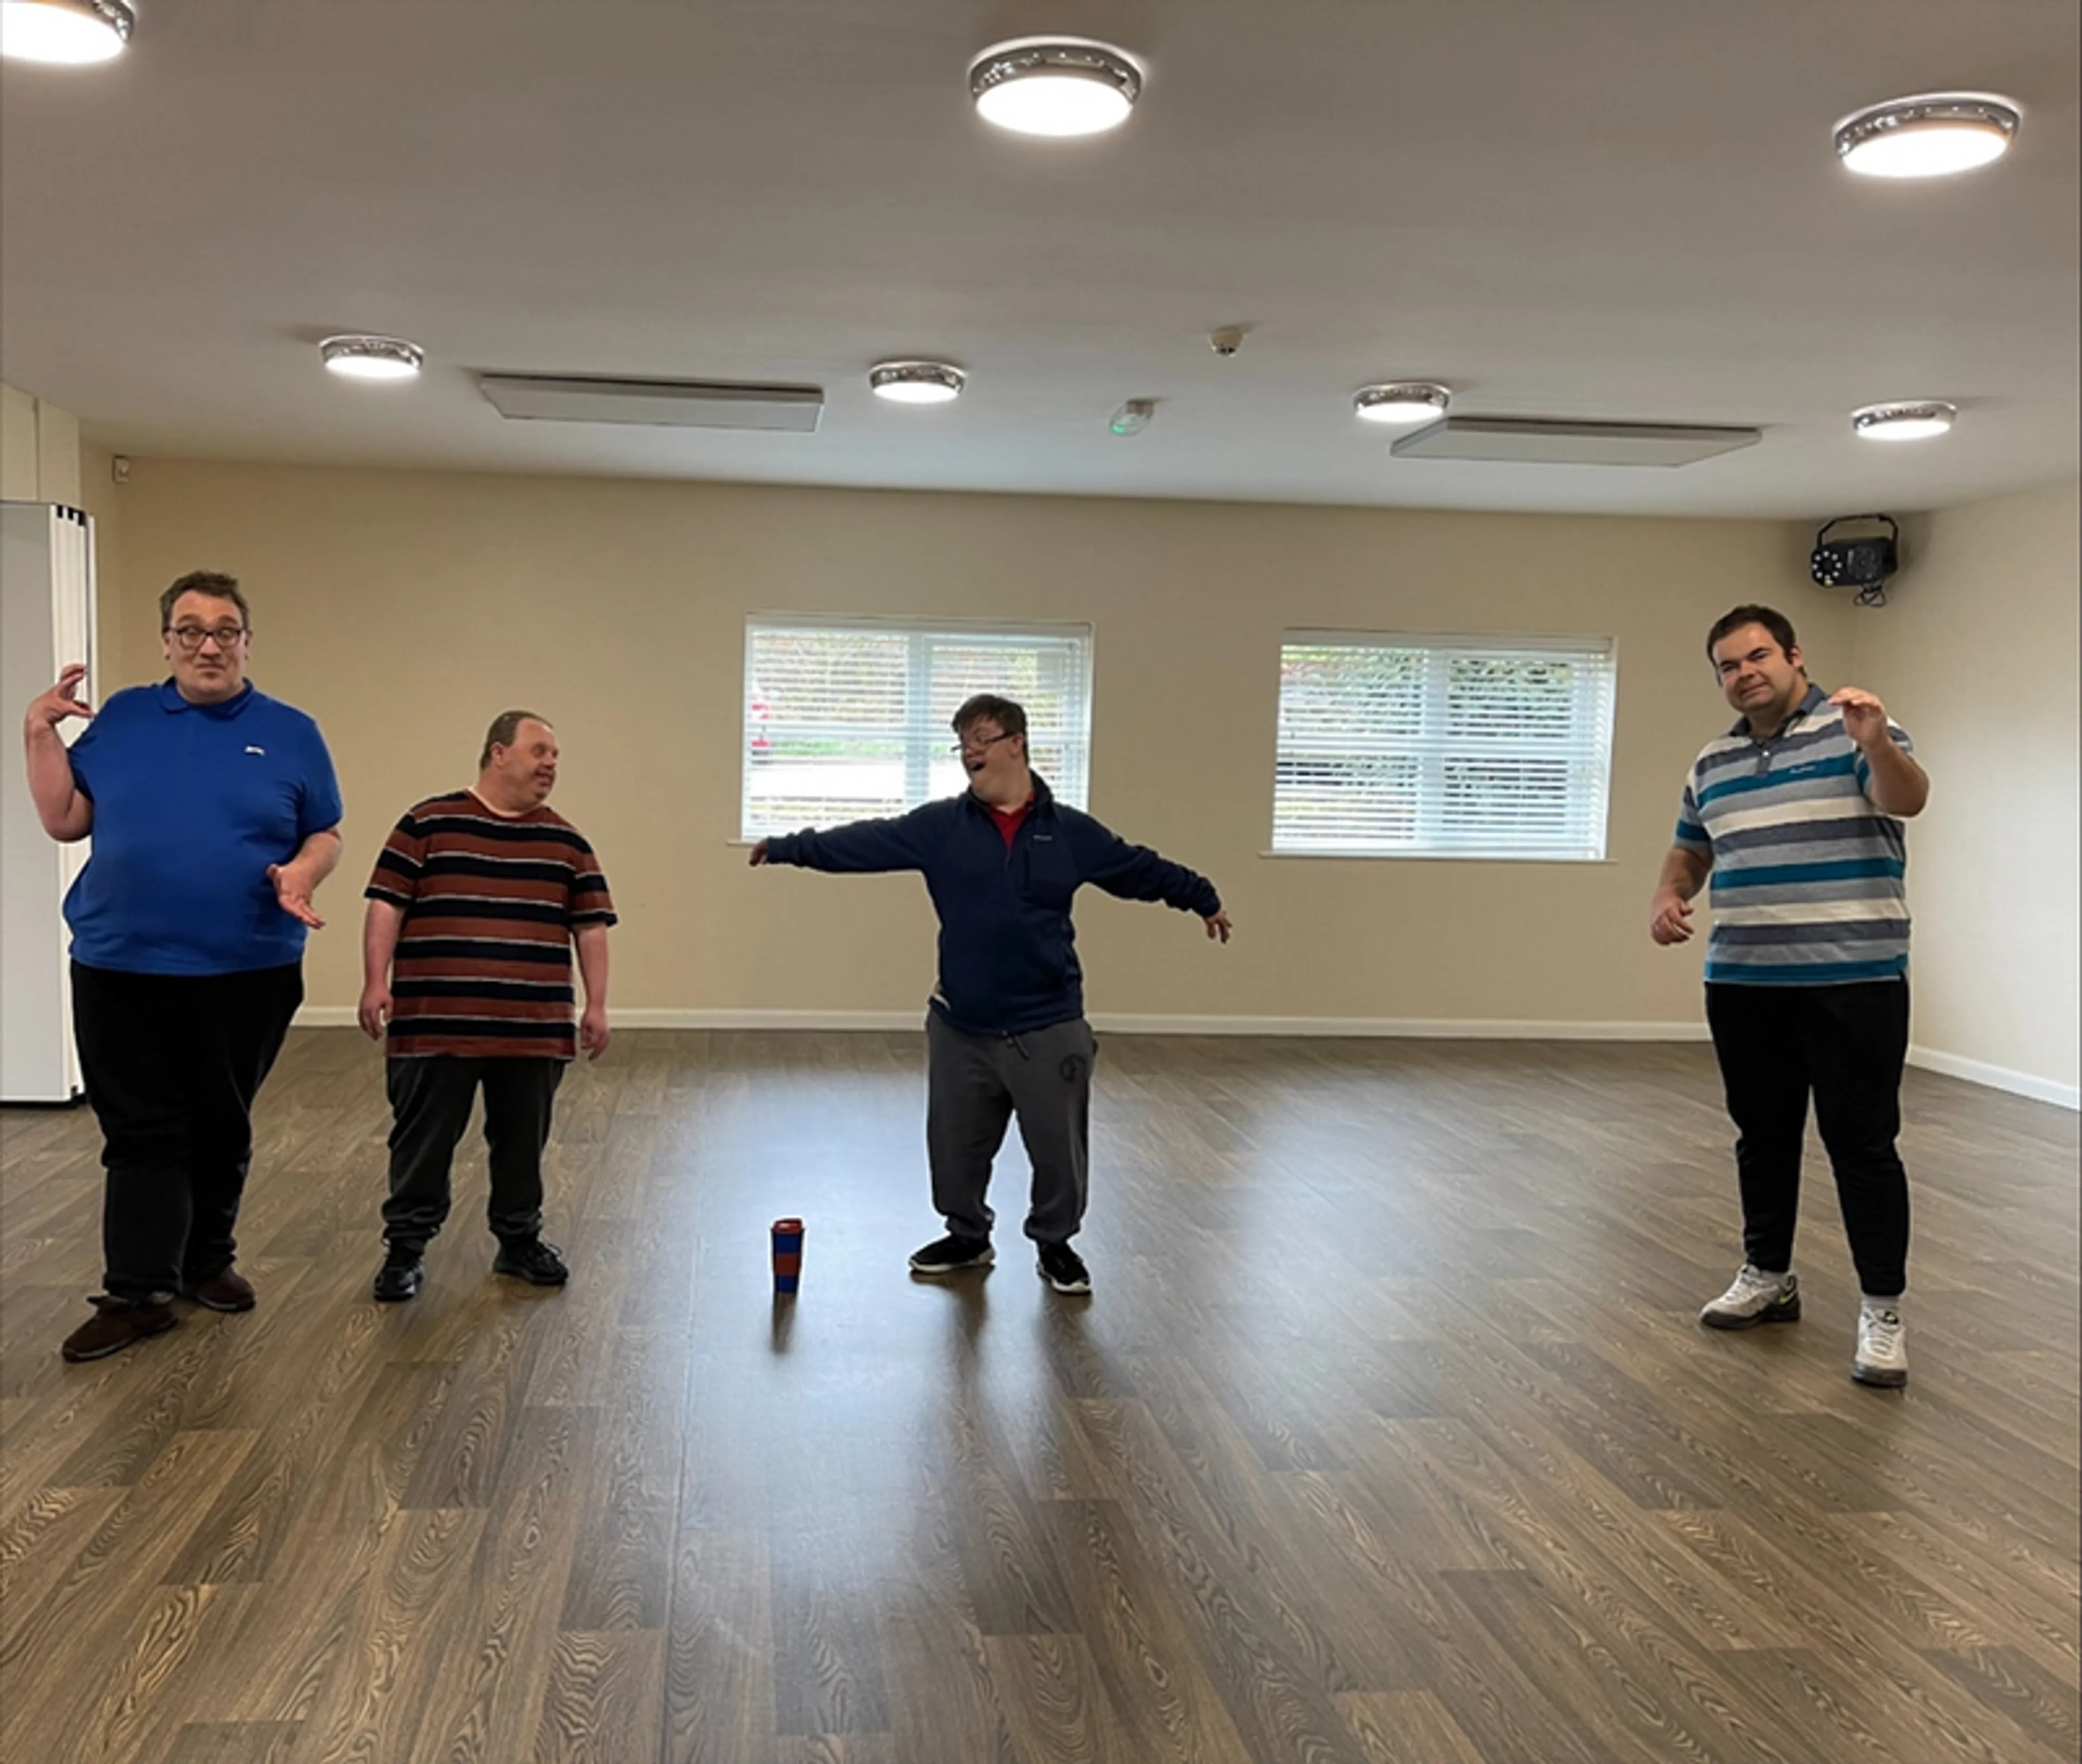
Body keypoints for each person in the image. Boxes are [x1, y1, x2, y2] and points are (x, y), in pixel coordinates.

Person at [750, 693, 1231, 1295]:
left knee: (1059, 1152)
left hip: (1048, 1022)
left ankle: (1055, 1244)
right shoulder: (941, 828)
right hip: (962, 1023)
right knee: (955, 1148)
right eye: (961, 740)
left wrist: (1202, 897)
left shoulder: (1069, 832)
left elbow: (1139, 868)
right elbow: (864, 843)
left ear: (1017, 742)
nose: (970, 749)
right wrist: (791, 846)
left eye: (981, 735)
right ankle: (968, 1236)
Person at [21, 570, 343, 1362]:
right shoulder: (126, 717)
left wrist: (303, 872)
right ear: (167, 642)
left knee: (220, 1120)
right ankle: (136, 1292)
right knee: (140, 1128)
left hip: (249, 966)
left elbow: (325, 832)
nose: (208, 644)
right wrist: (36, 733)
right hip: (120, 963)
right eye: (191, 630)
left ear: (246, 642)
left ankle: (208, 1263)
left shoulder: (292, 730)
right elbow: (66, 818)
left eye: (225, 629)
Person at [1650, 604, 1929, 1388]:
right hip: (1744, 978)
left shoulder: (1859, 729)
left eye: (1757, 656)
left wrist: (1875, 742)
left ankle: (1882, 1309)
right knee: (1762, 1135)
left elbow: (1907, 799)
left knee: (1862, 1146)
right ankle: (1768, 1274)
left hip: (1855, 979)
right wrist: (1668, 894)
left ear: (1794, 656)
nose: (1744, 673)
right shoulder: (1713, 761)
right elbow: (1689, 845)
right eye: (1728, 666)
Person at [357, 711, 615, 1301]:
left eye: (555, 754)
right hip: (433, 1024)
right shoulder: (427, 823)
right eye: (539, 750)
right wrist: (376, 981)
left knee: (523, 1143)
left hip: (533, 1029)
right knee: (422, 1140)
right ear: (498, 754)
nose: (550, 763)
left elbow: (592, 927)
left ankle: (519, 1241)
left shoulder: (567, 842)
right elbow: (385, 906)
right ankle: (405, 1249)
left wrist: (597, 1004)